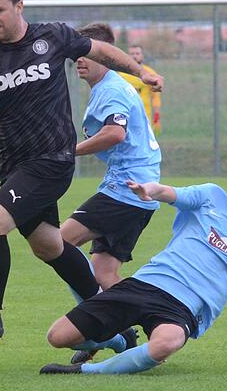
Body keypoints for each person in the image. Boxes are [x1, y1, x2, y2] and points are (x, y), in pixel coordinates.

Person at [0, 0, 164, 352]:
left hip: (52, 161)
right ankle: (114, 328)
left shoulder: (51, 36)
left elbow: (101, 51)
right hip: (16, 166)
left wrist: (142, 72)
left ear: (19, 7)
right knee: (49, 246)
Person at [40, 159, 227, 374]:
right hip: (146, 283)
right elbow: (168, 192)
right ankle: (117, 341)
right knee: (58, 337)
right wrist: (148, 190)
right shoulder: (211, 197)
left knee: (168, 341)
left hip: (183, 307)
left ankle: (87, 372)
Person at [60, 22, 162, 364]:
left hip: (127, 189)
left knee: (60, 243)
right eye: (76, 54)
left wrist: (69, 150)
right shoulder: (105, 88)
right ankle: (145, 322)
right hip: (134, 190)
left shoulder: (112, 89)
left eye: (87, 53)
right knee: (104, 272)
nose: (79, 60)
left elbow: (115, 134)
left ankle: (94, 327)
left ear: (106, 55)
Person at [118, 45, 163, 134]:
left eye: (137, 53)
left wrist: (157, 115)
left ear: (142, 55)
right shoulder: (121, 74)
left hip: (144, 117)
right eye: (132, 54)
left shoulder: (149, 73)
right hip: (125, 116)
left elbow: (155, 96)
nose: (134, 56)